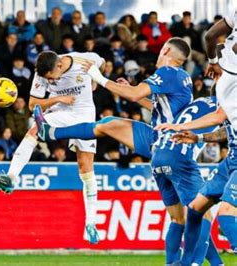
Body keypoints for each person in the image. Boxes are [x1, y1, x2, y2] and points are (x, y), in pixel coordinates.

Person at [34, 37, 195, 252]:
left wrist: (99, 77)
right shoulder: (184, 77)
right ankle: (51, 132)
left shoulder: (168, 72)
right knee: (107, 124)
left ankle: (52, 132)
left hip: (166, 142)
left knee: (188, 215)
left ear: (165, 50)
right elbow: (155, 105)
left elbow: (136, 92)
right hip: (162, 137)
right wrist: (133, 94)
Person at [0, 50, 105, 245]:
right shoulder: (42, 71)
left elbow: (100, 60)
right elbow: (33, 104)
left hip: (84, 113)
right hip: (60, 111)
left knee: (86, 169)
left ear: (59, 65)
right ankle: (10, 177)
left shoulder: (82, 60)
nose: (50, 82)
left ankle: (91, 223)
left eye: (52, 78)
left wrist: (95, 78)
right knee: (34, 130)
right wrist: (58, 99)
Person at [156, 13, 237, 260]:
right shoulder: (225, 89)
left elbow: (213, 35)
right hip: (231, 159)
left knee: (225, 214)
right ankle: (189, 263)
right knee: (195, 209)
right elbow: (221, 119)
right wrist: (191, 133)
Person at [156, 107, 236, 262]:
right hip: (229, 163)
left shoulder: (229, 88)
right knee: (195, 209)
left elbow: (218, 117)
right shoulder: (226, 93)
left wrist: (180, 126)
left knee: (226, 214)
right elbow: (227, 130)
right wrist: (198, 138)